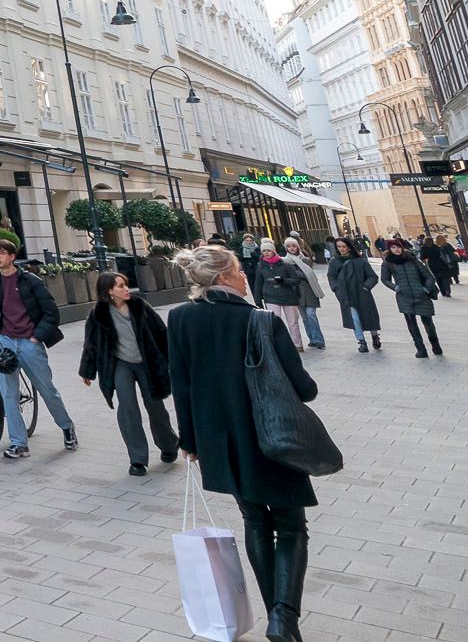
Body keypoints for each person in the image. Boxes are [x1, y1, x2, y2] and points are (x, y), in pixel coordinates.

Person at [168, 245, 321, 642]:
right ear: (222, 278)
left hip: (219, 441)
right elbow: (304, 389)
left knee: (255, 520)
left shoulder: (180, 319)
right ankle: (283, 619)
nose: (244, 277)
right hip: (272, 437)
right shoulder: (261, 320)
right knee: (290, 526)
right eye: (238, 271)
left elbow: (181, 386)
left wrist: (190, 439)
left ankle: (278, 616)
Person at [0, 237, 77, 460]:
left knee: (46, 389)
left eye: (1, 253)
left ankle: (67, 426)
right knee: (8, 394)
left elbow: (51, 313)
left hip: (29, 343)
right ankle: (19, 443)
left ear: (12, 257)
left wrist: (36, 337)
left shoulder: (30, 281)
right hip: (4, 343)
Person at [76, 270, 178, 476]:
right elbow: (91, 344)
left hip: (146, 362)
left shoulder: (140, 307)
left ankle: (169, 445)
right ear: (109, 291)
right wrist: (87, 370)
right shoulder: (99, 314)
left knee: (155, 404)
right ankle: (138, 459)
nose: (126, 289)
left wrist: (173, 360)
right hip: (120, 364)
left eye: (126, 284)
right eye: (120, 286)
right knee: (128, 406)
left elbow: (161, 333)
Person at [380, 239, 442, 358]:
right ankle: (421, 349)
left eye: (398, 247)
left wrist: (426, 289)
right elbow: (385, 279)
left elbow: (429, 276)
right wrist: (395, 288)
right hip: (404, 297)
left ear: (402, 247)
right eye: (393, 247)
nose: (396, 249)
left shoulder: (413, 260)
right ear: (389, 249)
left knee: (428, 322)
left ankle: (436, 346)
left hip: (421, 295)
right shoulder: (388, 263)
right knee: (411, 324)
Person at [326, 237, 382, 352]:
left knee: (369, 316)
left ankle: (374, 335)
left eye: (343, 246)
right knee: (354, 318)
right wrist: (337, 288)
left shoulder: (360, 261)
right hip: (346, 294)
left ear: (349, 247)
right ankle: (361, 341)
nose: (341, 249)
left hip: (362, 293)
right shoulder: (334, 261)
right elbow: (331, 277)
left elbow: (372, 276)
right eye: (339, 247)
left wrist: (366, 287)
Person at [255, 239, 309, 350]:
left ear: (273, 251)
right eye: (264, 251)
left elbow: (296, 280)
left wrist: (283, 280)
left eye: (268, 250)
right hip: (270, 297)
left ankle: (297, 345)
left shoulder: (285, 264)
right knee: (274, 322)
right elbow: (258, 284)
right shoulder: (260, 266)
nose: (266, 252)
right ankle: (279, 346)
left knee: (293, 322)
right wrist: (258, 301)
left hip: (288, 297)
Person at [280, 237, 327, 351]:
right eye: (289, 246)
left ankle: (319, 340)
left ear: (298, 247)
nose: (292, 248)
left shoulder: (305, 260)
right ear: (286, 248)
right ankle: (312, 339)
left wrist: (293, 272)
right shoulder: (285, 262)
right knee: (305, 318)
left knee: (311, 315)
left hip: (309, 291)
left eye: (294, 246)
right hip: (296, 292)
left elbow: (306, 275)